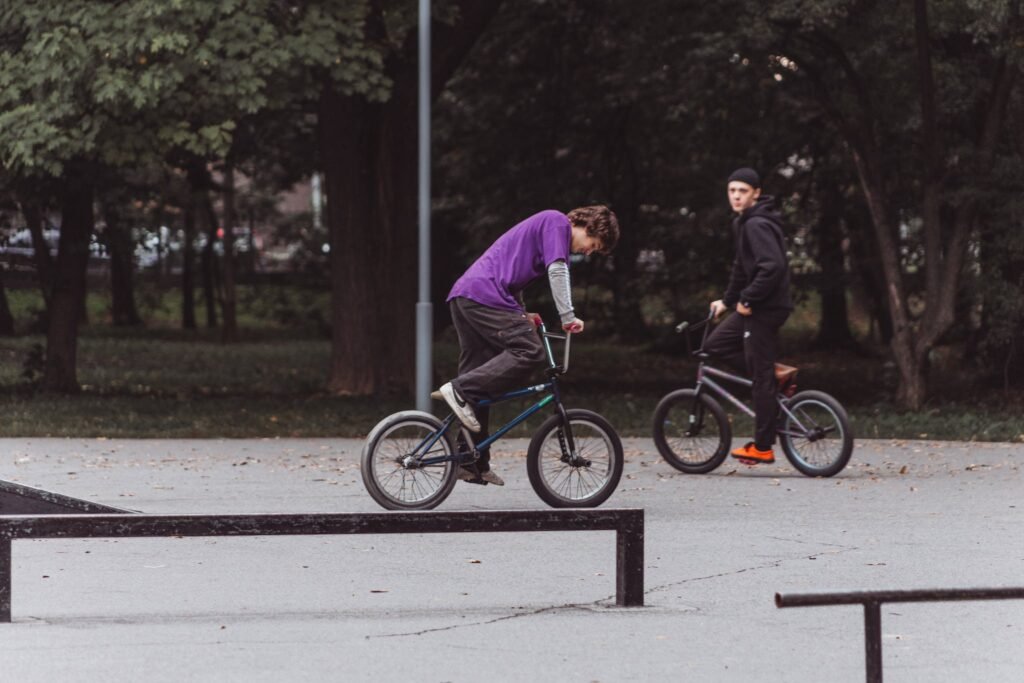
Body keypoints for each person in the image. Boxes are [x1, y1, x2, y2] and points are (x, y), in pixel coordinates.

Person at [434, 206, 620, 485]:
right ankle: (458, 390)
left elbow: (513, 278)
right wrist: (568, 316)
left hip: (467, 297)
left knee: (482, 381)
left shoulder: (546, 230)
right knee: (530, 351)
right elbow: (557, 271)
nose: (587, 252)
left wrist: (522, 313)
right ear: (588, 227)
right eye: (592, 246)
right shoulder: (557, 222)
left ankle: (471, 461)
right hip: (484, 296)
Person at [706, 167, 793, 464]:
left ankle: (763, 447)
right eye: (732, 191)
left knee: (760, 378)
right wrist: (727, 300)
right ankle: (773, 374)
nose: (736, 196)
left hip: (766, 308)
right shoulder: (743, 223)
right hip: (755, 305)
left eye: (742, 191)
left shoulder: (756, 224)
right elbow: (742, 268)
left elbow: (772, 267)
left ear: (756, 193)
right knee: (714, 344)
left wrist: (747, 298)